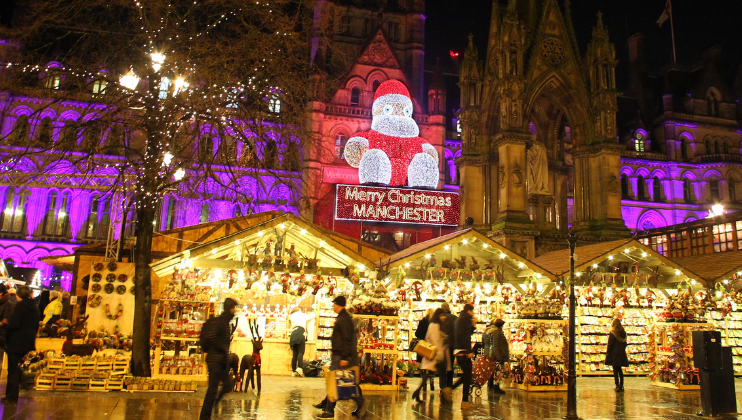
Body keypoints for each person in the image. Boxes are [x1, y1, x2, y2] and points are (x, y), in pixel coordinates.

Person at [317, 296, 368, 419]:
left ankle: (329, 410)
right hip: (340, 354)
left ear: (338, 304)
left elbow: (346, 339)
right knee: (344, 381)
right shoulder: (343, 317)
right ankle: (359, 402)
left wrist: (344, 357)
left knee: (336, 381)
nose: (333, 306)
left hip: (341, 355)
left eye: (334, 304)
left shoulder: (344, 319)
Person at [199, 298, 238, 420]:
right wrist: (221, 351)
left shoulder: (220, 321)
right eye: (234, 308)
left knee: (223, 385)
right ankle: (205, 415)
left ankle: (211, 407)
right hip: (217, 360)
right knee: (213, 389)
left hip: (215, 359)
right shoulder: (222, 323)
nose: (235, 310)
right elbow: (219, 341)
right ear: (230, 308)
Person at [4, 285, 39, 403]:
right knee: (16, 366)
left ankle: (11, 396)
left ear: (19, 295)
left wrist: (5, 324)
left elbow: (15, 324)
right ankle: (24, 381)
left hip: (16, 342)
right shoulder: (34, 307)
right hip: (27, 342)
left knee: (12, 370)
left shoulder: (20, 306)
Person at [414, 308, 452, 403]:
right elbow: (436, 341)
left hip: (432, 355)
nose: (444, 317)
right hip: (435, 355)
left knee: (428, 376)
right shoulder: (435, 325)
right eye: (442, 315)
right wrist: (440, 354)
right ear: (439, 316)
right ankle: (444, 396)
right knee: (441, 375)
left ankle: (417, 393)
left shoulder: (433, 324)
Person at [452, 303, 476, 410]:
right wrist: (469, 351)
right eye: (472, 311)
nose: (473, 314)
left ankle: (450, 389)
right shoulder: (466, 320)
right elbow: (466, 336)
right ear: (469, 311)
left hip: (457, 350)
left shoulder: (458, 319)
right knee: (468, 376)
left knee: (467, 375)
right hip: (463, 351)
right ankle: (465, 401)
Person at [483, 318, 508, 394]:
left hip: (489, 353)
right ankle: (495, 387)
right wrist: (499, 357)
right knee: (496, 371)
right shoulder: (496, 332)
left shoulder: (487, 331)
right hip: (494, 355)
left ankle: (491, 386)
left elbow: (484, 343)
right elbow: (496, 345)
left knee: (492, 371)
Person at [414, 307, 435, 392]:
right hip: (431, 346)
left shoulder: (422, 322)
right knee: (431, 363)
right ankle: (432, 378)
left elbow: (417, 333)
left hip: (423, 346)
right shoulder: (434, 323)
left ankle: (424, 383)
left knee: (424, 364)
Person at [289, 307, 314, 377]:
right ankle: (299, 368)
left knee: (294, 354)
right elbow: (312, 316)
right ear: (299, 310)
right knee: (300, 352)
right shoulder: (302, 315)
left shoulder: (291, 316)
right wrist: (313, 312)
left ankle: (293, 371)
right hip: (300, 332)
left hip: (293, 333)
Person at [605, 318, 628, 392]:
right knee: (620, 369)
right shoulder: (623, 333)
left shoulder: (613, 333)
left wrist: (608, 353)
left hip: (615, 353)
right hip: (621, 353)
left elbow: (610, 344)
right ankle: (622, 385)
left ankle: (617, 385)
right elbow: (625, 343)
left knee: (615, 369)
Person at [439, 302, 457, 388]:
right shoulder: (455, 318)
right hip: (452, 344)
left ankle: (443, 383)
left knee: (442, 365)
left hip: (442, 344)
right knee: (450, 364)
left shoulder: (440, 318)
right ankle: (449, 383)